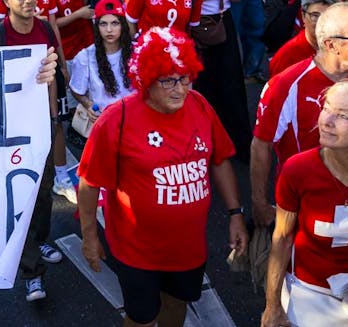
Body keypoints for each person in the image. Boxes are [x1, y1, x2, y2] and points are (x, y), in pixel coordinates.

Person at [77, 27, 247, 327]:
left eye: (184, 78)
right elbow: (90, 182)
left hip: (188, 247)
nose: (179, 90)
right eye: (167, 80)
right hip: (136, 250)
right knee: (142, 317)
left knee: (176, 303)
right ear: (145, 79)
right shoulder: (117, 119)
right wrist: (90, 237)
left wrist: (235, 213)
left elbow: (219, 159)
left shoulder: (201, 106)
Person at [262, 80, 348, 327]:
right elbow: (282, 238)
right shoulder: (297, 170)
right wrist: (273, 306)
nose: (326, 120)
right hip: (309, 292)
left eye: (343, 116)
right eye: (326, 108)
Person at [251, 2, 348, 228]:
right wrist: (259, 204)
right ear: (330, 44)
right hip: (303, 202)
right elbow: (261, 145)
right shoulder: (285, 85)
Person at [0, 0, 64, 301]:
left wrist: (54, 118)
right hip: (8, 132)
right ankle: (31, 273)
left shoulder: (43, 29)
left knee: (43, 191)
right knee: (20, 197)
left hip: (41, 125)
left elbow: (51, 75)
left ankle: (40, 238)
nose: (29, 1)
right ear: (7, 0)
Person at [186, 0, 250, 158]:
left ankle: (240, 143)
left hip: (224, 21)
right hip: (198, 26)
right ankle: (208, 145)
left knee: (232, 83)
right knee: (204, 86)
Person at [68, 0, 135, 122]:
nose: (109, 30)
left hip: (132, 119)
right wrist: (89, 105)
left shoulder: (136, 52)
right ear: (97, 26)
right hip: (102, 121)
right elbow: (77, 90)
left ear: (123, 25)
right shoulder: (85, 57)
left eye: (115, 23)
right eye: (103, 24)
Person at [268, 0, 341, 76]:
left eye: (328, 16)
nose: (321, 22)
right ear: (303, 16)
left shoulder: (347, 46)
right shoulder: (286, 57)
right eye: (315, 15)